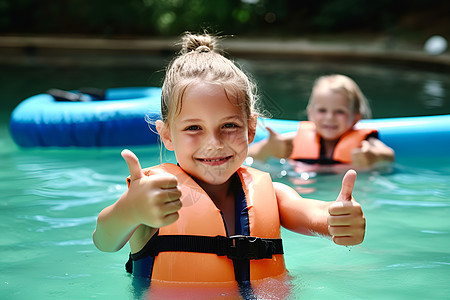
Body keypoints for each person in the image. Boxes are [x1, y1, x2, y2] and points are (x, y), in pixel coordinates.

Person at [92, 33, 365, 291]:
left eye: (229, 125)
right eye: (193, 128)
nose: (214, 142)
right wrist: (130, 211)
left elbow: (313, 213)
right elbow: (104, 240)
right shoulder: (152, 198)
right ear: (167, 136)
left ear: (250, 128)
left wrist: (338, 220)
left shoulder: (273, 194)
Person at [248, 74, 395, 171]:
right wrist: (268, 148)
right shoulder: (295, 140)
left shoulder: (364, 144)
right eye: (322, 110)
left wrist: (374, 156)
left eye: (340, 112)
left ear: (356, 117)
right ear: (310, 113)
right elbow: (250, 154)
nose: (329, 117)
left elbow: (388, 155)